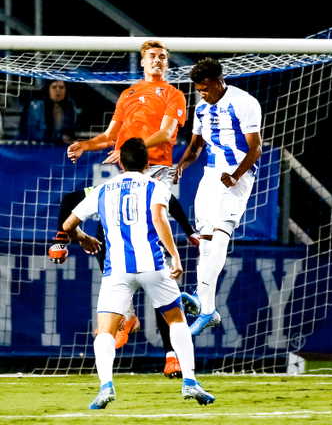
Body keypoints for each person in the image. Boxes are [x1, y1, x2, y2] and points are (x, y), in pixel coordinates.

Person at [51, 40, 198, 376]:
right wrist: (85, 145)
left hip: (155, 172)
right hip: (126, 174)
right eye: (152, 56)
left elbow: (165, 134)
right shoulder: (129, 94)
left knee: (155, 264)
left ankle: (171, 354)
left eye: (163, 57)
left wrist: (132, 148)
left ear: (167, 64)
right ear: (142, 61)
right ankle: (126, 313)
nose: (158, 61)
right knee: (78, 206)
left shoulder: (174, 95)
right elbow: (110, 136)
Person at [62, 138, 215, 409]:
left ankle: (106, 386)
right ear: (147, 164)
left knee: (106, 333)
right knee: (177, 321)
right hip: (153, 267)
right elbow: (159, 218)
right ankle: (190, 381)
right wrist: (175, 256)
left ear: (120, 162)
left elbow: (69, 224)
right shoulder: (155, 185)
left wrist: (83, 237)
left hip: (116, 270)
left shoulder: (103, 188)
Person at [174, 58, 262, 336]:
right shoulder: (201, 108)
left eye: (204, 88)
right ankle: (206, 304)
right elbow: (196, 145)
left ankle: (207, 307)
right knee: (206, 242)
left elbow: (256, 148)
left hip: (236, 176)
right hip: (210, 176)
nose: (201, 94)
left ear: (217, 81)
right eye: (198, 90)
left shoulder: (244, 102)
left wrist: (236, 175)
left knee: (220, 237)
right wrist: (181, 166)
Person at [19, 80, 80, 145]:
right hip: (37, 147)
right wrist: (59, 137)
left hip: (61, 148)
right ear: (48, 89)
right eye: (54, 87)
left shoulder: (71, 107)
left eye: (61, 87)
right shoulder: (36, 106)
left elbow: (72, 131)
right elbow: (31, 133)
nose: (58, 90)